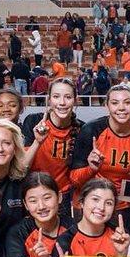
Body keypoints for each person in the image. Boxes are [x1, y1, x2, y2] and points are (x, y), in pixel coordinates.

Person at [70, 84, 130, 232]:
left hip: (123, 206)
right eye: (115, 103)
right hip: (91, 204)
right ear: (106, 106)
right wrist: (91, 169)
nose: (121, 108)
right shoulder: (91, 131)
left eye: (127, 102)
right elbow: (74, 180)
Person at [21, 77, 81, 207]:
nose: (62, 102)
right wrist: (37, 142)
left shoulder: (82, 129)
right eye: (56, 96)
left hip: (64, 197)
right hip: (35, 193)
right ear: (49, 99)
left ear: (75, 101)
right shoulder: (33, 121)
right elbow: (23, 167)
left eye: (68, 97)